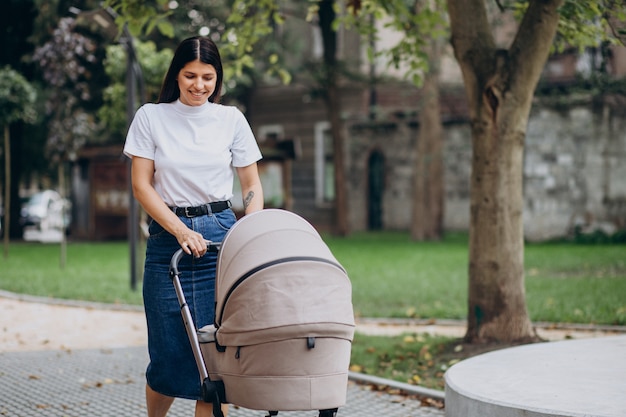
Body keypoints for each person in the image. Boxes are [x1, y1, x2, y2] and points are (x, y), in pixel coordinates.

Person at [123, 36, 264, 417]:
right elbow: (141, 185)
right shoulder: (151, 117)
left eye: (208, 77)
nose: (199, 86)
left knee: (214, 360)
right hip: (168, 237)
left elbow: (250, 186)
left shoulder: (231, 119)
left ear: (218, 79)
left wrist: (252, 235)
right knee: (168, 356)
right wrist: (180, 231)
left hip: (220, 234)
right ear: (176, 75)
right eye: (190, 76)